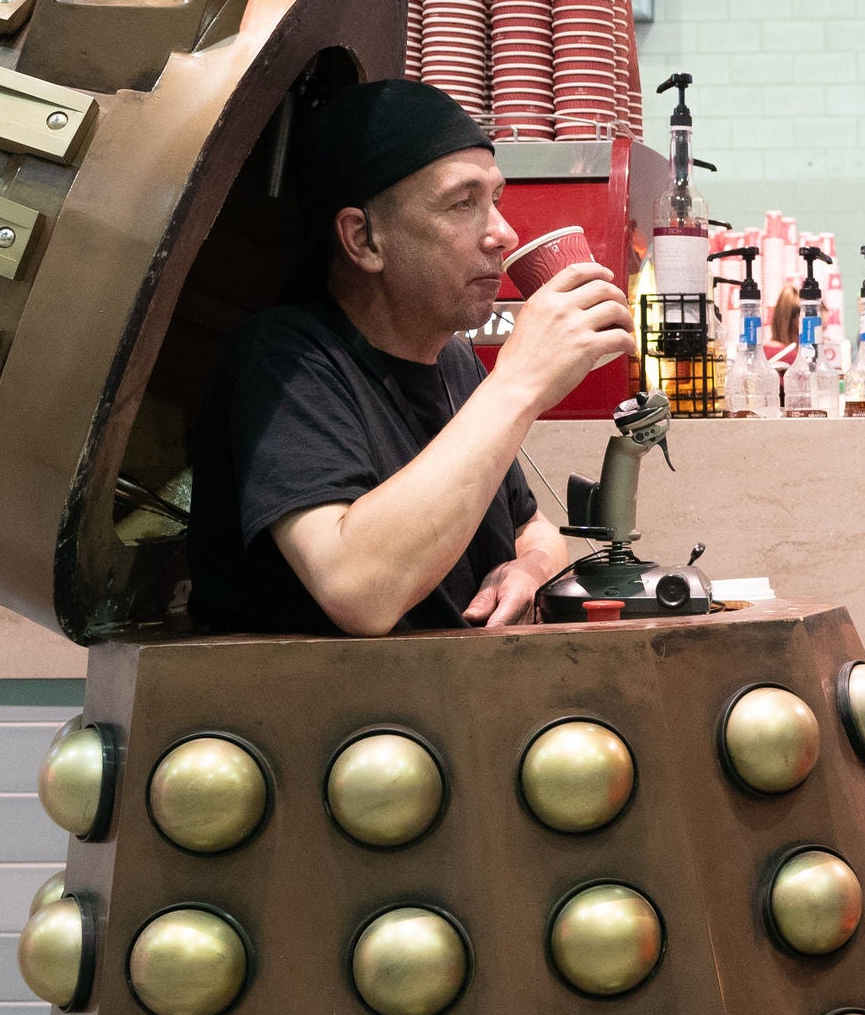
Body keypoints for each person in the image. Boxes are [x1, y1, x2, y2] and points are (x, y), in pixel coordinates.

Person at [190, 80, 637, 636]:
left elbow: (530, 524)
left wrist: (529, 568)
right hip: (318, 717)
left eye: (495, 199)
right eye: (461, 204)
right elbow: (357, 590)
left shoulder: (455, 362)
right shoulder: (283, 362)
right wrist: (519, 383)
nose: (503, 232)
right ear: (363, 240)